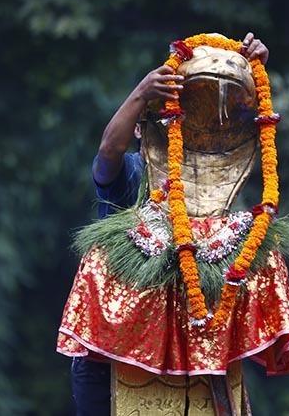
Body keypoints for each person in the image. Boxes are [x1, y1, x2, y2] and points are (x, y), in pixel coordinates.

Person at [69, 32, 270, 415]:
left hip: (193, 347)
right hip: (114, 347)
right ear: (142, 130)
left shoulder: (209, 183)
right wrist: (143, 91)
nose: (171, 129)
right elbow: (108, 150)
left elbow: (248, 126)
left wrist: (253, 68)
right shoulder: (130, 171)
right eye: (161, 120)